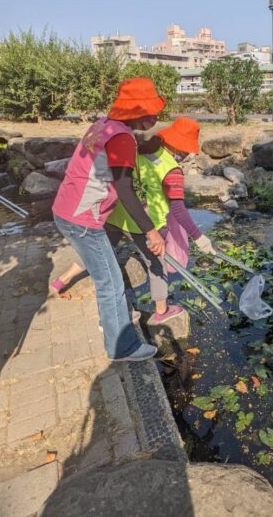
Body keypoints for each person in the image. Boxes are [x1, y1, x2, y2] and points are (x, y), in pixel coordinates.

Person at [52, 78, 166, 362]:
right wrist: (151, 231)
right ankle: (122, 348)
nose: (157, 117)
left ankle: (111, 324)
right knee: (111, 283)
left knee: (106, 277)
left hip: (66, 208)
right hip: (82, 219)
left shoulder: (104, 125)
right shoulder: (123, 138)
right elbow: (124, 188)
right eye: (152, 111)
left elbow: (114, 183)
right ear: (136, 112)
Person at [106, 116, 215, 322]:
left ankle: (62, 280)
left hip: (118, 212)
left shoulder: (142, 150)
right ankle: (161, 311)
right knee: (157, 264)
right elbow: (179, 211)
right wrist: (199, 237)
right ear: (182, 148)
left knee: (102, 252)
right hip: (149, 222)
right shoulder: (172, 169)